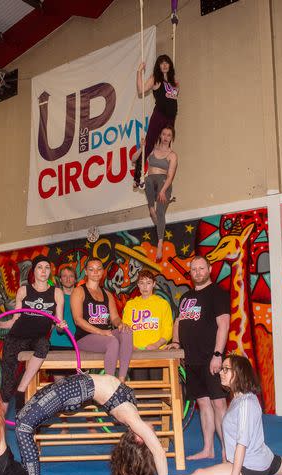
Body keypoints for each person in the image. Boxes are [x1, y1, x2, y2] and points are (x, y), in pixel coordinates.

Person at [16, 372, 168, 475]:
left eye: (152, 436)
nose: (153, 433)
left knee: (23, 427)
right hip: (75, 386)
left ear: (139, 439)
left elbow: (159, 452)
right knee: (21, 420)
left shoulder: (133, 420)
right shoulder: (133, 415)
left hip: (72, 391)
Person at [168, 255, 229, 461]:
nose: (197, 272)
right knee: (203, 403)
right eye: (194, 269)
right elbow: (178, 322)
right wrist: (176, 343)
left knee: (219, 404)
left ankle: (228, 451)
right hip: (192, 360)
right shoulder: (186, 297)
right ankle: (208, 449)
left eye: (201, 268)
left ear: (209, 269)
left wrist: (218, 354)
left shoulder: (217, 293)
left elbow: (224, 325)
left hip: (210, 358)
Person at [0, 255, 66, 413]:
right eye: (39, 267)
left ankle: (21, 390)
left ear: (50, 271)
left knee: (44, 344)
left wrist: (61, 326)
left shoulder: (57, 293)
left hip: (36, 339)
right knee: (7, 386)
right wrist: (0, 323)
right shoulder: (24, 290)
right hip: (16, 337)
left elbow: (58, 325)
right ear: (34, 271)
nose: (43, 271)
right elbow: (15, 320)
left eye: (47, 267)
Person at [71, 258, 133, 381]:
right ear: (86, 272)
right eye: (91, 269)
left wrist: (120, 324)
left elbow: (115, 317)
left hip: (104, 335)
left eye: (99, 269)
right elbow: (78, 320)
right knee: (112, 342)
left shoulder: (107, 294)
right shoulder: (79, 291)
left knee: (126, 331)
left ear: (103, 272)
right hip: (85, 337)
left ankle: (121, 380)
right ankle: (109, 383)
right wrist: (101, 332)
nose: (96, 272)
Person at [132, 54, 179, 189]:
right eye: (161, 63)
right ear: (158, 66)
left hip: (171, 118)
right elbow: (141, 91)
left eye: (167, 63)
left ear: (170, 65)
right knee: (150, 143)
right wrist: (139, 72)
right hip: (159, 115)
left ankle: (161, 178)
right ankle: (137, 176)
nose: (164, 65)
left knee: (164, 147)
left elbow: (173, 100)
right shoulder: (155, 79)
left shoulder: (174, 82)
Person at [122, 269, 173, 381]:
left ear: (154, 284)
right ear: (138, 285)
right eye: (142, 283)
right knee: (140, 387)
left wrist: (156, 344)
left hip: (157, 352)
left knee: (157, 386)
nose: (145, 287)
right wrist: (130, 345)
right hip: (137, 352)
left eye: (148, 283)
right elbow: (125, 328)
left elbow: (168, 329)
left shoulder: (162, 304)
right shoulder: (131, 305)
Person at [142, 126, 178, 261]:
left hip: (164, 183)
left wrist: (163, 191)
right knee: (148, 180)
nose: (166, 137)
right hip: (151, 181)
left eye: (169, 135)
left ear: (171, 138)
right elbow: (135, 159)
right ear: (161, 136)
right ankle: (152, 209)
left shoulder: (172, 155)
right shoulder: (152, 149)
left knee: (160, 212)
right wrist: (142, 147)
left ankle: (160, 243)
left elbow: (170, 176)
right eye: (164, 134)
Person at [49, 266, 78, 350]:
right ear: (60, 279)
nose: (68, 279)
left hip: (78, 342)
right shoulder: (54, 296)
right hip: (57, 342)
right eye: (64, 276)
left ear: (75, 279)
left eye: (71, 276)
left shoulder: (82, 297)